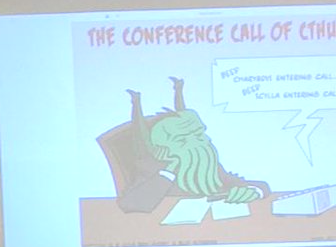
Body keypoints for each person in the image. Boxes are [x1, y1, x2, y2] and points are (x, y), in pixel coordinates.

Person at [114, 76, 271, 212]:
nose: (203, 141)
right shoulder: (151, 168)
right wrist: (168, 171)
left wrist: (251, 191)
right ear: (163, 149)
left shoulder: (208, 163)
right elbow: (130, 204)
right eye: (183, 139)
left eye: (199, 133)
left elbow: (255, 185)